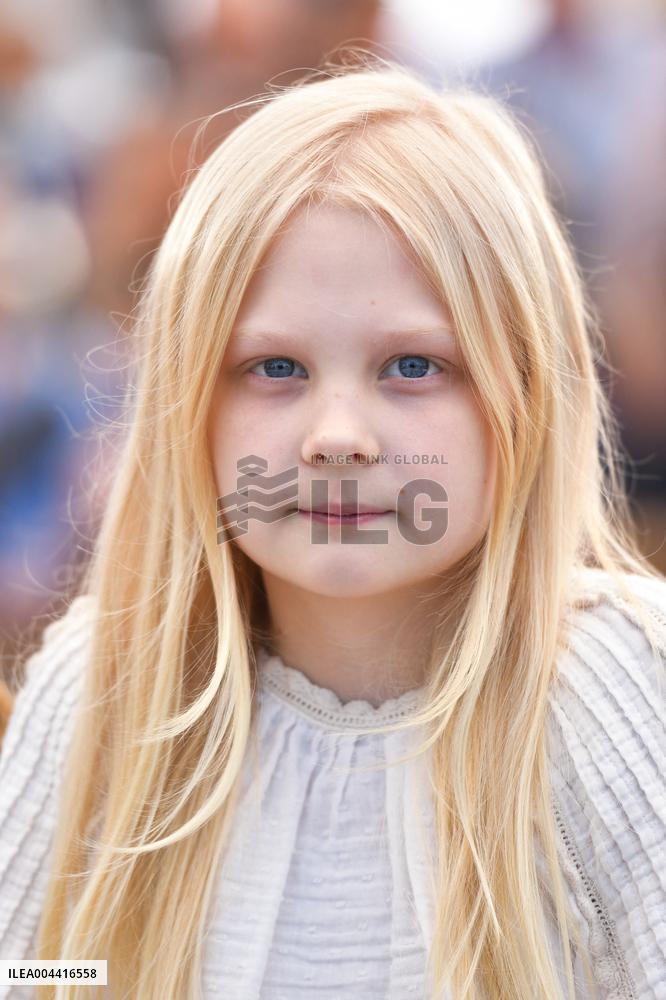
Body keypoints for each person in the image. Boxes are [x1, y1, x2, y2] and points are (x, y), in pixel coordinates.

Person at [0, 56, 665, 999]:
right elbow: (42, 967)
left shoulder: (624, 689)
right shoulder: (107, 693)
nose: (339, 437)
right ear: (189, 404)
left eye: (411, 365)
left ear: (521, 394)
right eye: (275, 369)